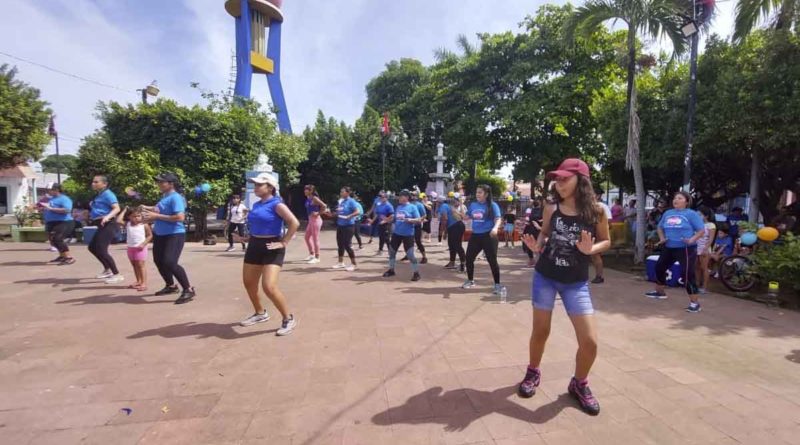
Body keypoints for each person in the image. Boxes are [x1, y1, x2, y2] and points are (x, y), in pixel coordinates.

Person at [517, 158, 610, 416]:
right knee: (541, 331)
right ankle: (533, 371)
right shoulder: (551, 208)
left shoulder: (597, 211)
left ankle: (579, 384)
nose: (559, 184)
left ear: (581, 180)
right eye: (556, 179)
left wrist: (592, 249)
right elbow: (544, 234)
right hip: (545, 276)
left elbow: (606, 241)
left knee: (590, 342)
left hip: (576, 283)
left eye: (564, 179)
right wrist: (538, 245)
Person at [232, 173, 299, 336]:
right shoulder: (256, 205)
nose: (255, 188)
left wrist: (283, 242)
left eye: (259, 185)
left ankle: (288, 318)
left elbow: (294, 223)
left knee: (269, 286)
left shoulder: (277, 204)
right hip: (255, 245)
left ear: (270, 187)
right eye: (254, 185)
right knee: (249, 283)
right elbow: (258, 226)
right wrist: (245, 238)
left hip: (272, 247)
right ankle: (260, 313)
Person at [645, 191, 705, 313]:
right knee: (659, 267)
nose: (675, 200)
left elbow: (701, 230)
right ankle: (660, 292)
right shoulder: (668, 213)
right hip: (669, 246)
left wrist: (691, 240)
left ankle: (695, 303)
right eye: (674, 198)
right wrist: (662, 238)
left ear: (686, 201)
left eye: (679, 198)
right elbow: (660, 227)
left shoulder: (691, 214)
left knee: (687, 274)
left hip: (686, 248)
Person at [142, 173, 196, 304]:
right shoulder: (165, 196)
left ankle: (188, 289)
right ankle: (171, 286)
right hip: (161, 234)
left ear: (171, 184)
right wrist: (146, 207)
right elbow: (158, 209)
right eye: (158, 182)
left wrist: (155, 216)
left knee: (170, 262)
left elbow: (179, 217)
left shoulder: (176, 198)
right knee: (159, 261)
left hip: (174, 234)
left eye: (162, 182)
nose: (159, 184)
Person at [461, 184, 503, 293]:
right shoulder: (473, 205)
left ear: (486, 194)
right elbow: (466, 217)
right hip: (475, 235)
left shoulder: (492, 205)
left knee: (492, 261)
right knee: (469, 258)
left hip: (489, 236)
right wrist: (458, 210)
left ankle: (497, 285)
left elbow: (498, 219)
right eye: (477, 192)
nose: (477, 194)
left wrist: (495, 228)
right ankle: (470, 280)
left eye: (480, 192)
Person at [88, 175, 124, 284]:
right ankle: (107, 270)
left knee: (101, 249)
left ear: (104, 184)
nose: (93, 184)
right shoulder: (99, 195)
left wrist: (107, 217)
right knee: (92, 247)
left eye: (96, 182)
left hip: (109, 224)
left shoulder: (108, 194)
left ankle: (117, 274)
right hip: (101, 224)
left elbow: (117, 208)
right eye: (93, 182)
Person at [382, 189, 422, 281]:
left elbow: (419, 220)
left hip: (408, 234)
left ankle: (416, 273)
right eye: (399, 196)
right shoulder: (399, 207)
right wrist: (388, 220)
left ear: (406, 197)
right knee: (392, 252)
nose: (399, 198)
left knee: (410, 255)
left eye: (401, 196)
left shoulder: (412, 207)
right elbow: (395, 219)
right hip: (397, 233)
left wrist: (410, 220)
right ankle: (391, 270)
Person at [117, 206, 152, 291]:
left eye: (138, 216)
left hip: (140, 248)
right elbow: (118, 221)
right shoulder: (128, 224)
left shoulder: (144, 225)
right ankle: (138, 281)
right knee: (134, 265)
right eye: (134, 216)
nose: (136, 218)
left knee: (141, 265)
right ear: (129, 217)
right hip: (130, 248)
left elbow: (150, 235)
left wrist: (143, 244)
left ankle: (144, 283)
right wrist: (124, 210)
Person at [41, 184, 76, 265]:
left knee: (58, 238)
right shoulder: (52, 199)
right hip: (52, 222)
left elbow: (67, 210)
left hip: (64, 222)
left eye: (50, 189)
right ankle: (62, 256)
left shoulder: (64, 199)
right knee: (52, 240)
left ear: (56, 189)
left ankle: (69, 257)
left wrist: (51, 209)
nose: (48, 191)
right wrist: (43, 208)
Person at [332, 186, 360, 271]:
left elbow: (357, 211)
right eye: (341, 192)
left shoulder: (351, 201)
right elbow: (339, 212)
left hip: (349, 226)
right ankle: (340, 262)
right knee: (340, 244)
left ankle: (354, 264)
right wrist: (333, 214)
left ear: (347, 193)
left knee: (347, 245)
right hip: (340, 225)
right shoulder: (341, 201)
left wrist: (350, 216)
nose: (341, 193)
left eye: (343, 192)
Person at [439, 192, 467, 272]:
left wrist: (442, 232)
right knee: (451, 245)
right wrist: (446, 232)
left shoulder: (443, 206)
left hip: (456, 226)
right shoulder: (448, 206)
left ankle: (463, 264)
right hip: (455, 226)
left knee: (457, 245)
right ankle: (452, 263)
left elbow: (444, 219)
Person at [590, 192, 612, 284]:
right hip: (590, 232)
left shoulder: (601, 207)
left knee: (595, 255)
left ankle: (599, 276)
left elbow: (609, 220)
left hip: (597, 233)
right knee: (593, 256)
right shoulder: (585, 206)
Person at [695, 206, 717, 294]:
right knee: (696, 267)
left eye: (700, 215)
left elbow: (710, 239)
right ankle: (696, 284)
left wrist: (705, 249)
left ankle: (704, 287)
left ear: (706, 216)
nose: (698, 216)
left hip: (704, 248)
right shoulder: (697, 225)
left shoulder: (711, 225)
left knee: (704, 268)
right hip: (696, 248)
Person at [303, 185, 327, 264]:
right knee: (306, 237)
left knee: (315, 238)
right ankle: (311, 254)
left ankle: (317, 257)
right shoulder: (308, 198)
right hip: (311, 220)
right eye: (305, 189)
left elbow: (324, 206)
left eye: (307, 190)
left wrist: (318, 213)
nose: (305, 191)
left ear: (311, 191)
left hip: (316, 220)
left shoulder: (314, 198)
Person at [403, 192, 429, 264]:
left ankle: (424, 257)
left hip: (417, 226)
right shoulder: (408, 204)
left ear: (417, 197)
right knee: (407, 241)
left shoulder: (419, 205)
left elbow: (424, 215)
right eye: (411, 195)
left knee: (418, 242)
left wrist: (418, 220)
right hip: (409, 226)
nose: (412, 196)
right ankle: (408, 255)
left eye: (414, 195)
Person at [522, 204, 543, 268]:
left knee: (535, 245)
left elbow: (527, 219)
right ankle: (534, 260)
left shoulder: (532, 210)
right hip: (535, 229)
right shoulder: (540, 210)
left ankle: (533, 260)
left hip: (534, 229)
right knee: (536, 245)